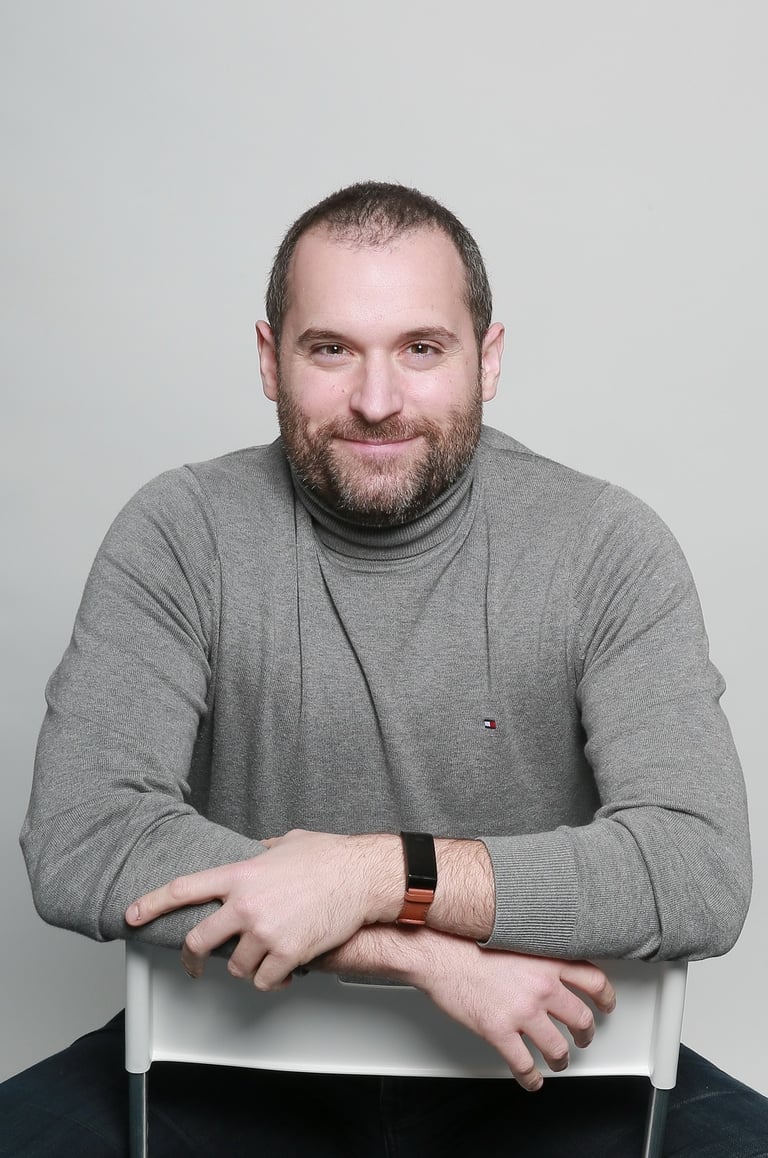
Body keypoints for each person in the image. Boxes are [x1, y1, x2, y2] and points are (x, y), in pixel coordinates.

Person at [4, 181, 767, 1156]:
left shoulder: (605, 546)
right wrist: (420, 954)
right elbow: (82, 834)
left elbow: (697, 867)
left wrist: (374, 873)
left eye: (422, 349)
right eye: (331, 350)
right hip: (231, 1054)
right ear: (270, 360)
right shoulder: (180, 533)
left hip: (546, 1064)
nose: (376, 400)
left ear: (488, 359)